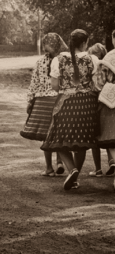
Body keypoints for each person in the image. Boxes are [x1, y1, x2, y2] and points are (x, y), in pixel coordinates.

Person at [41, 29, 99, 190]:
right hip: (87, 105)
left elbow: (54, 85)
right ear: (84, 43)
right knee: (81, 141)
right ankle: (74, 177)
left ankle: (71, 169)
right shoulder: (92, 59)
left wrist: (67, 88)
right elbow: (96, 84)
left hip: (66, 103)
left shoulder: (58, 60)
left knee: (57, 140)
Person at [20, 33, 67, 177]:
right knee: (58, 133)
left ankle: (49, 168)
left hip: (42, 102)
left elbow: (34, 83)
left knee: (46, 136)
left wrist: (30, 101)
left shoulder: (40, 62)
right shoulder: (64, 61)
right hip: (59, 99)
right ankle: (60, 162)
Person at [86, 43, 115, 177]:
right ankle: (111, 161)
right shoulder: (108, 57)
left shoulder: (104, 61)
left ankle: (99, 167)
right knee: (111, 133)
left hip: (103, 100)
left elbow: (98, 84)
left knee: (101, 134)